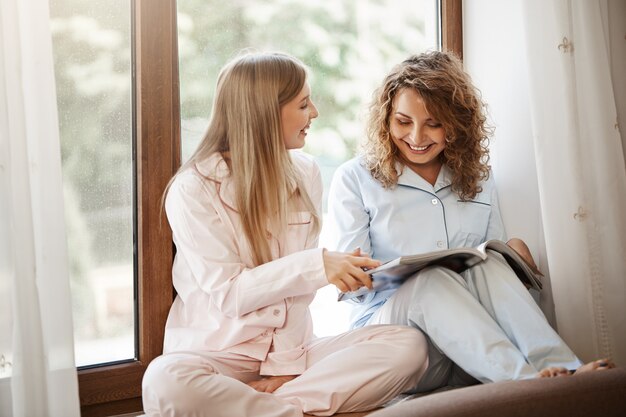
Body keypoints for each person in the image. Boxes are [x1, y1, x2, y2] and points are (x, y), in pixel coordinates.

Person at [141, 51, 430, 417]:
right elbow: (230, 293)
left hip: (293, 357)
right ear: (265, 112)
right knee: (163, 379)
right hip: (216, 357)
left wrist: (286, 368)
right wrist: (317, 266)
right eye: (304, 104)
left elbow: (296, 298)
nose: (314, 114)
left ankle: (270, 409)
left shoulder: (305, 172)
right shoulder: (193, 189)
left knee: (408, 346)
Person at [327, 50, 614, 393]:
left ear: (456, 123)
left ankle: (561, 368)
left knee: (488, 262)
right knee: (431, 280)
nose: (417, 137)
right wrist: (393, 275)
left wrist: (515, 261)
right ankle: (524, 385)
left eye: (433, 123)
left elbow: (491, 270)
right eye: (404, 121)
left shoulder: (478, 177)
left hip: (472, 349)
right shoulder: (354, 178)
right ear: (386, 118)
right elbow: (354, 288)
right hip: (397, 344)